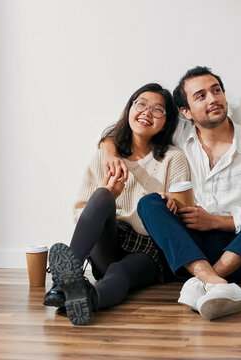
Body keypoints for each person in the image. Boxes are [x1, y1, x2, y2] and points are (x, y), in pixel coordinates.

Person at [100, 67, 241, 321]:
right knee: (150, 203)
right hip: (189, 253)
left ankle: (207, 281)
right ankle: (213, 282)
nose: (212, 99)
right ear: (185, 112)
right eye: (201, 96)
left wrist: (217, 221)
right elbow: (126, 133)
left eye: (216, 91)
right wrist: (108, 151)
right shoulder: (177, 137)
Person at [44, 83, 190, 326]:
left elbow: (182, 213)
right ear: (130, 108)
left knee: (119, 273)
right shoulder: (105, 155)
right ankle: (65, 282)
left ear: (167, 121)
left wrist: (171, 205)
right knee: (101, 195)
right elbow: (82, 212)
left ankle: (88, 300)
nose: (146, 112)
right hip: (110, 240)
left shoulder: (174, 158)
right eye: (141, 104)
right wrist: (110, 195)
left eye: (157, 110)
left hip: (149, 247)